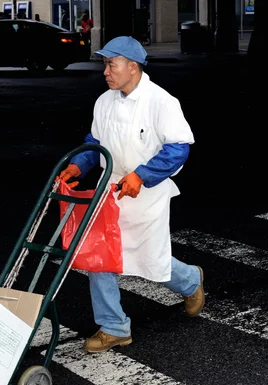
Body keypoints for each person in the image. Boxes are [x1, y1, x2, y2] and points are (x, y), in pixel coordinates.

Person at [59, 36, 204, 353]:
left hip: (145, 193)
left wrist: (142, 175)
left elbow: (178, 148)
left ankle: (191, 281)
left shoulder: (160, 102)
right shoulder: (104, 101)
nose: (106, 71)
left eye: (111, 64)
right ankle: (114, 327)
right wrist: (77, 166)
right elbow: (95, 142)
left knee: (150, 259)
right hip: (109, 188)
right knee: (100, 256)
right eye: (106, 65)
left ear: (133, 67)